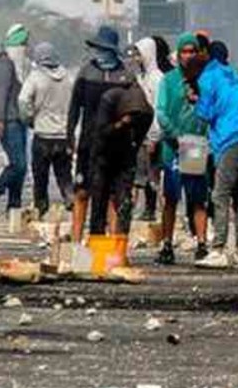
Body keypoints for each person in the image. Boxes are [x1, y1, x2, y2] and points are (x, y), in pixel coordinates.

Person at [191, 39, 238, 269]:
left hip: (230, 138)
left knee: (220, 195)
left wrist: (194, 100)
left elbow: (205, 113)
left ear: (205, 54)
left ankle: (218, 249)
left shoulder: (208, 77)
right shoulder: (233, 75)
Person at [66, 26, 131, 241]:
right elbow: (74, 107)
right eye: (98, 48)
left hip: (115, 144)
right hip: (88, 142)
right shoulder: (86, 72)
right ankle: (76, 241)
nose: (100, 53)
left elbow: (135, 108)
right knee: (82, 192)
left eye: (104, 49)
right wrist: (70, 136)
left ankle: (111, 243)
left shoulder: (126, 75)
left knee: (112, 195)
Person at [155, 32, 211, 264]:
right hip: (173, 147)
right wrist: (176, 135)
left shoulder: (204, 80)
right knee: (170, 198)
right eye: (184, 52)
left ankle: (202, 244)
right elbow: (161, 112)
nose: (188, 56)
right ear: (178, 55)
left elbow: (210, 111)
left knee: (197, 198)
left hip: (196, 145)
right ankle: (167, 244)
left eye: (192, 51)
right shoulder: (169, 81)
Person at [88, 70, 153, 236]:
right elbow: (100, 133)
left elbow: (141, 134)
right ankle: (97, 235)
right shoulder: (109, 100)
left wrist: (133, 148)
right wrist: (120, 125)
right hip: (103, 152)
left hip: (125, 154)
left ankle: (121, 237)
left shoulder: (146, 112)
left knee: (124, 200)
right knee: (99, 198)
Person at [18, 42, 74, 218]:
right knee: (64, 175)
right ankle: (70, 198)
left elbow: (23, 101)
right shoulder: (68, 77)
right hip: (63, 135)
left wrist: (29, 120)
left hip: (42, 134)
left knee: (40, 177)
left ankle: (41, 209)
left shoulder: (35, 77)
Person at [0, 23, 30, 218]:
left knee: (20, 166)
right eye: (23, 44)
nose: (26, 48)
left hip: (20, 121)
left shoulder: (21, 66)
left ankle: (14, 207)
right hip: (9, 121)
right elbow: (1, 93)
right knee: (19, 165)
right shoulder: (6, 63)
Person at [132, 37, 167, 223]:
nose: (136, 58)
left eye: (139, 54)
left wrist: (154, 136)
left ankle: (152, 209)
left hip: (151, 135)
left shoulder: (157, 79)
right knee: (141, 175)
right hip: (140, 134)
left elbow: (158, 109)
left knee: (152, 175)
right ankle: (144, 209)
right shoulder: (141, 77)